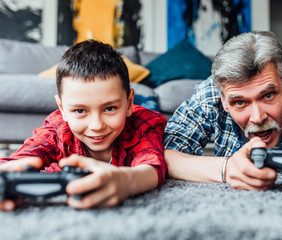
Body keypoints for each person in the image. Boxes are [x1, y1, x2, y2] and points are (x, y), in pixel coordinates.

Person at [164, 31, 282, 195]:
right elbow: (163, 154)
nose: (258, 118)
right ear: (223, 100)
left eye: (268, 95)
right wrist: (226, 168)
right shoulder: (210, 96)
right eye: (239, 102)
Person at [0, 40, 167, 210]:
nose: (96, 125)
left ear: (129, 103)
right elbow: (18, 160)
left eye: (109, 108)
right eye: (80, 111)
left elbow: (153, 168)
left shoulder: (145, 123)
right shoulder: (57, 127)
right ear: (62, 109)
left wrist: (128, 181)